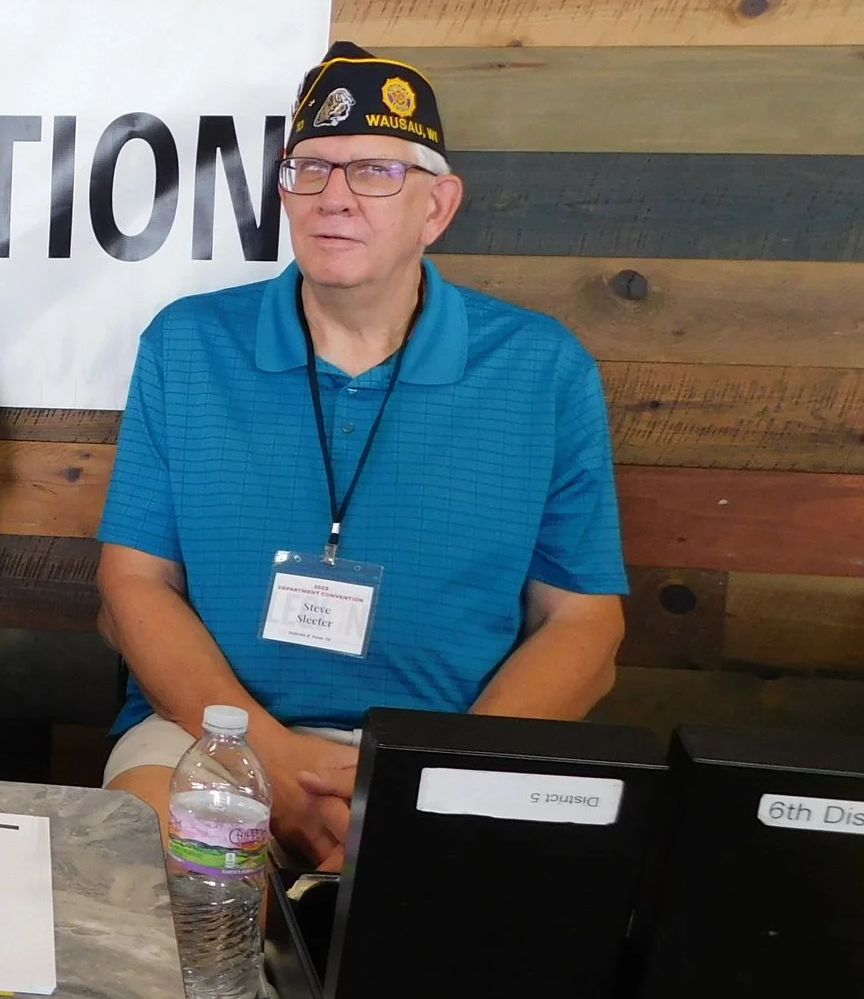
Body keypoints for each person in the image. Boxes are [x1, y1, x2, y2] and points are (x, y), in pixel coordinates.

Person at [96, 44, 628, 870]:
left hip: (454, 751)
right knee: (175, 861)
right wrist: (267, 752)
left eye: (375, 171)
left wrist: (425, 784)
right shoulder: (189, 346)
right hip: (211, 734)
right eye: (309, 169)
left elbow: (586, 624)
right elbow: (132, 584)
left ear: (437, 206)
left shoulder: (542, 368)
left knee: (423, 930)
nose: (334, 197)